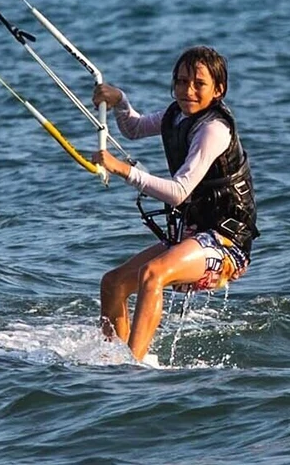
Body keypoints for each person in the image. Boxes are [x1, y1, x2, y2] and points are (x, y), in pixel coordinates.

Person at [91, 45, 259, 362]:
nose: (188, 90)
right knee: (113, 284)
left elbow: (180, 191)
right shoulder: (176, 115)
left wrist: (124, 170)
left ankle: (133, 366)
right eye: (181, 82)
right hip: (192, 236)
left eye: (199, 84)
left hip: (227, 245)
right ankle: (109, 363)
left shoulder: (213, 129)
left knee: (152, 273)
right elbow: (134, 128)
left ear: (218, 90)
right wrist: (119, 101)